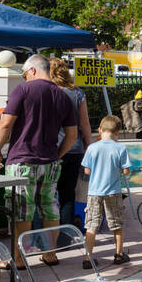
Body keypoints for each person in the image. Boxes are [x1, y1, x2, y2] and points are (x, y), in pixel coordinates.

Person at [0, 54, 77, 266]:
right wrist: (57, 154)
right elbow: (72, 135)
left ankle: (18, 259)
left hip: (21, 160)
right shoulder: (64, 96)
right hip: (50, 161)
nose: (23, 77)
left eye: (24, 74)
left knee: (21, 209)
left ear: (33, 70)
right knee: (50, 206)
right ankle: (50, 254)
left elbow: (5, 124)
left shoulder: (23, 90)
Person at [80, 115, 132, 265]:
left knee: (91, 225)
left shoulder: (92, 148)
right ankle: (119, 254)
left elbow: (87, 171)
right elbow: (126, 171)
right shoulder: (121, 148)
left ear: (100, 130)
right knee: (117, 223)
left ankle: (87, 258)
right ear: (118, 132)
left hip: (94, 192)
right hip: (113, 192)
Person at [49, 58, 94, 228]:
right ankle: (66, 232)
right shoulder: (78, 93)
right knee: (68, 193)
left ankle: (49, 232)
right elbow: (85, 124)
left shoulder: (48, 92)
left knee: (48, 193)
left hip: (52, 149)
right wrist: (88, 145)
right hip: (74, 149)